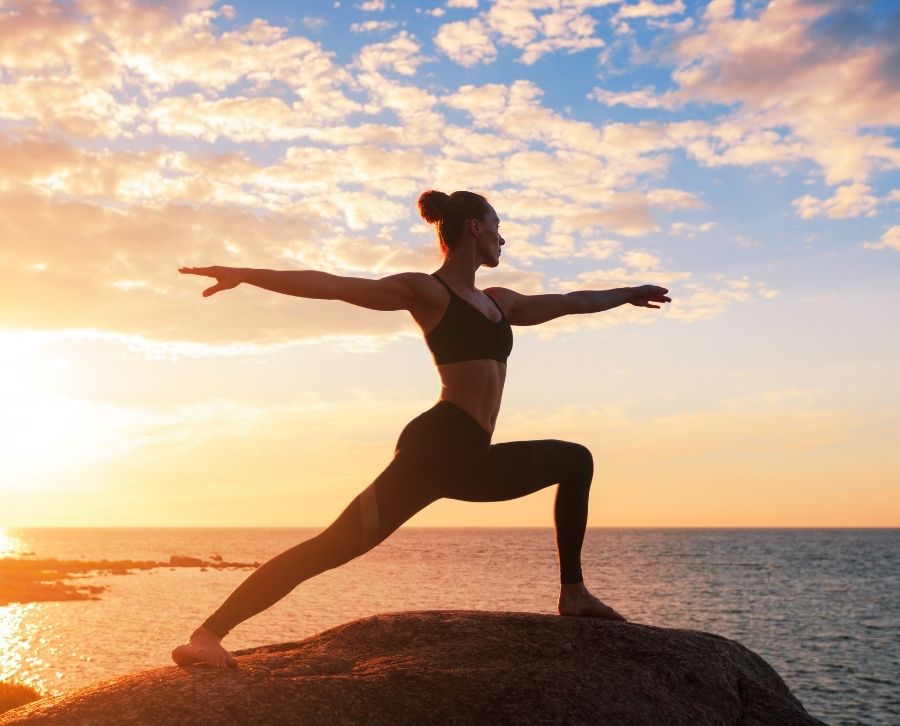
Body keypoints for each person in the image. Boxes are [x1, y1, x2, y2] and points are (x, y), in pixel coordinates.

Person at [172, 189, 671, 668]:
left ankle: (573, 593)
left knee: (575, 459)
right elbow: (333, 285)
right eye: (499, 228)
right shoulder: (427, 292)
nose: (504, 238)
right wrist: (243, 274)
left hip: (473, 459)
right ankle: (208, 634)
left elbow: (571, 301)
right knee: (336, 545)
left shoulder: (502, 303)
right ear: (474, 229)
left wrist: (629, 293)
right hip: (433, 452)